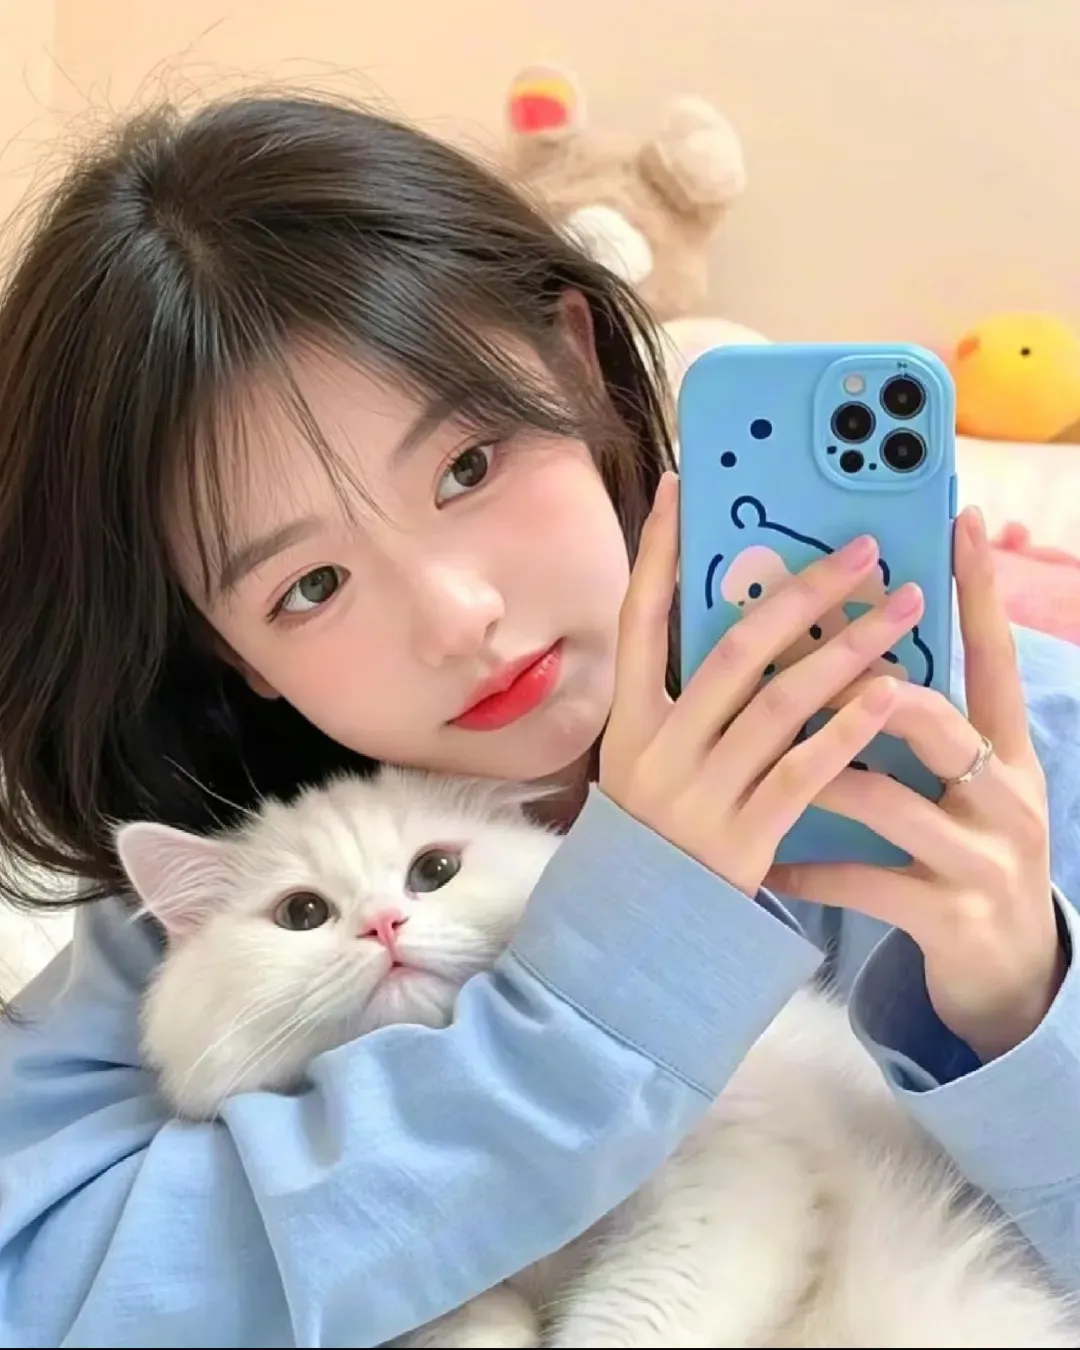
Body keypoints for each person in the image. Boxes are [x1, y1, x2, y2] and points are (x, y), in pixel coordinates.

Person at [0, 93, 1077, 1349]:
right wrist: (606, 1000)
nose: (458, 617)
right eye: (311, 585)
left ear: (574, 362)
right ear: (231, 653)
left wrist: (1024, 1010)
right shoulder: (231, 878)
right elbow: (47, 1288)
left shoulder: (1023, 733)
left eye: (468, 467)